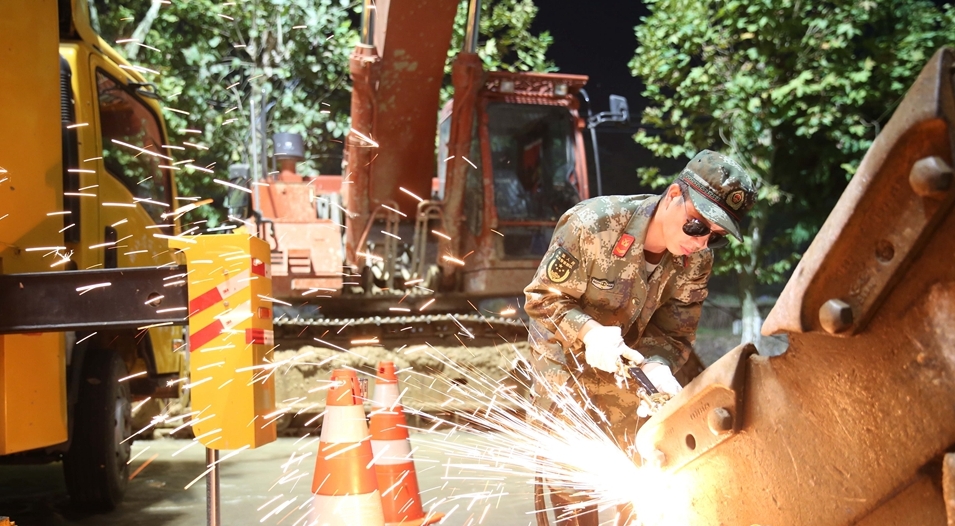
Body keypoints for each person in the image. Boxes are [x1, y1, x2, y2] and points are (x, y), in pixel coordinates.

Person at [523, 149, 756, 526]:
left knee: (641, 480)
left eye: (715, 237)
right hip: (565, 367)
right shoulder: (593, 224)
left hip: (630, 372)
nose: (700, 242)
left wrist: (657, 364)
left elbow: (675, 330)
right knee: (575, 491)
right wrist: (591, 333)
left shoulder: (696, 260)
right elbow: (543, 299)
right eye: (697, 226)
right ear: (675, 195)